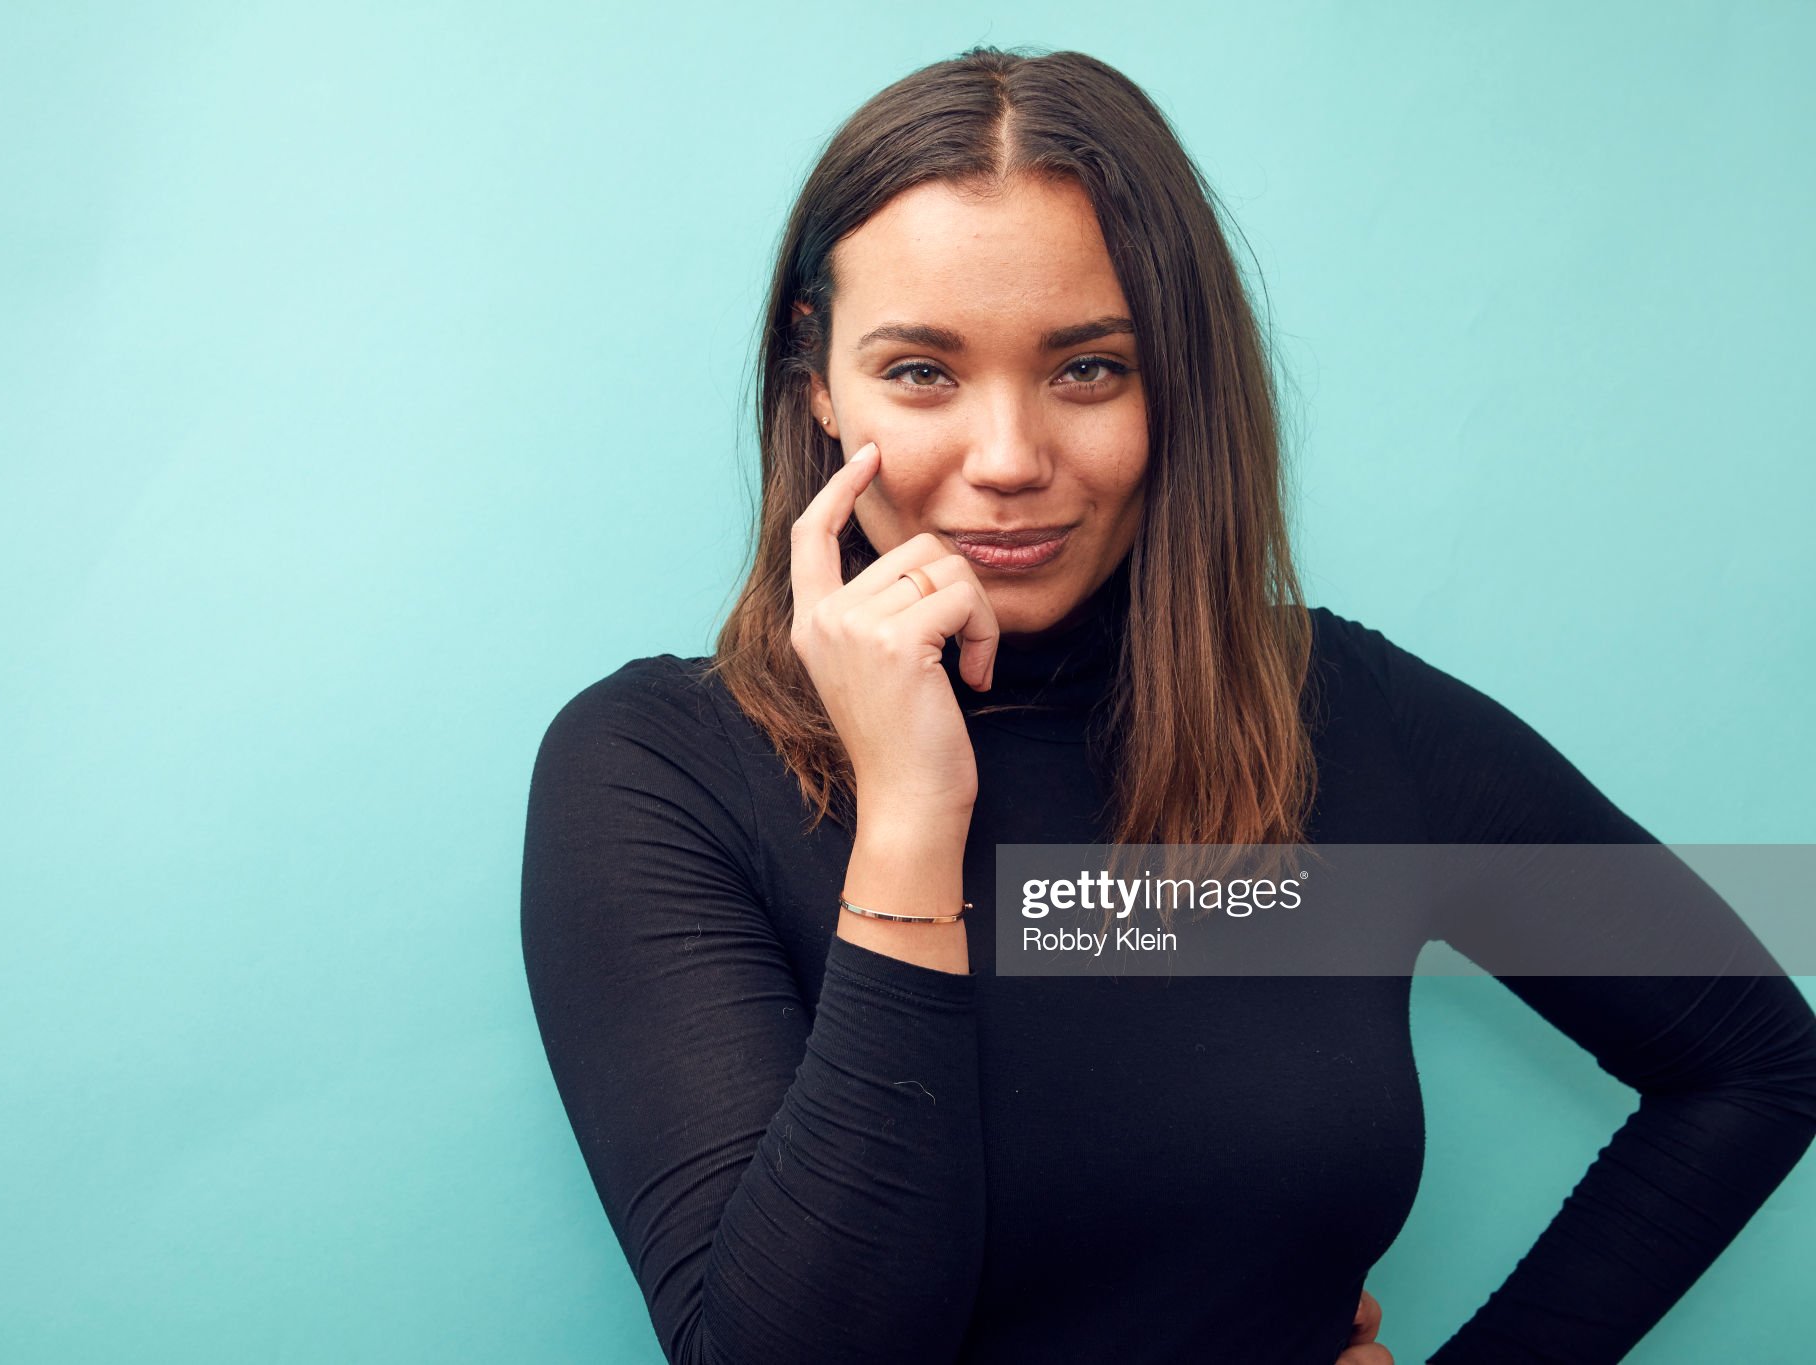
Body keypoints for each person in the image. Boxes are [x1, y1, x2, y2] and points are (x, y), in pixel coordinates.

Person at [519, 45, 1816, 1364]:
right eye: (921, 371)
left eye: (1088, 369)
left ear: (1176, 384)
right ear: (818, 385)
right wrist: (910, 818)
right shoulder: (653, 772)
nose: (1011, 460)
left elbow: (1758, 1061)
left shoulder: (1341, 715)